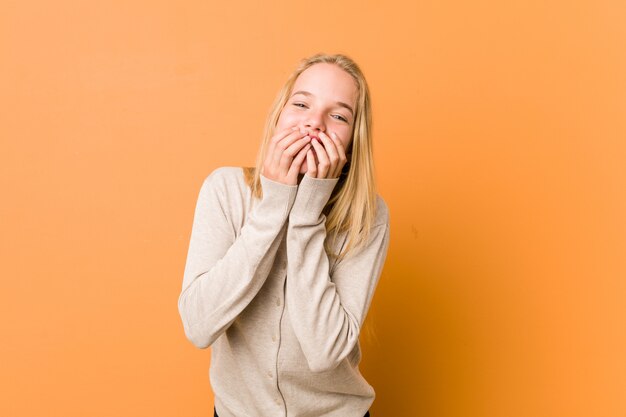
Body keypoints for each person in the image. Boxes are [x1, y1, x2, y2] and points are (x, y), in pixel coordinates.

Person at [178, 52, 390, 417]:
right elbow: (199, 326)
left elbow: (325, 351)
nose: (315, 124)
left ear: (353, 141)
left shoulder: (367, 216)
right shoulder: (225, 190)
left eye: (338, 115)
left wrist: (307, 213)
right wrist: (274, 205)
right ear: (279, 115)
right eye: (302, 104)